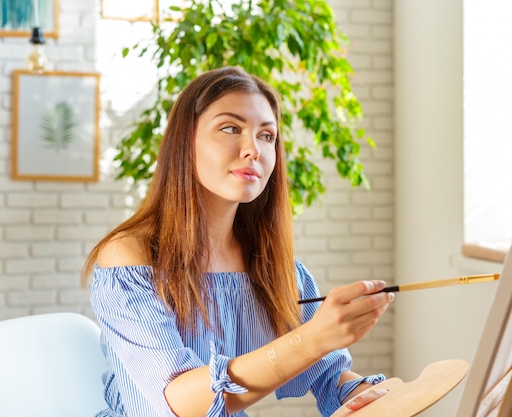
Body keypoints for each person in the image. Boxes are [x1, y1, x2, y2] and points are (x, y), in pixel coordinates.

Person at [82, 66, 394, 417]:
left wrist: (372, 395)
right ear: (185, 142)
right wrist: (311, 339)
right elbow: (180, 401)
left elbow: (329, 374)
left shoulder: (277, 268)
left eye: (266, 136)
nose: (253, 150)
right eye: (230, 128)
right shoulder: (128, 257)